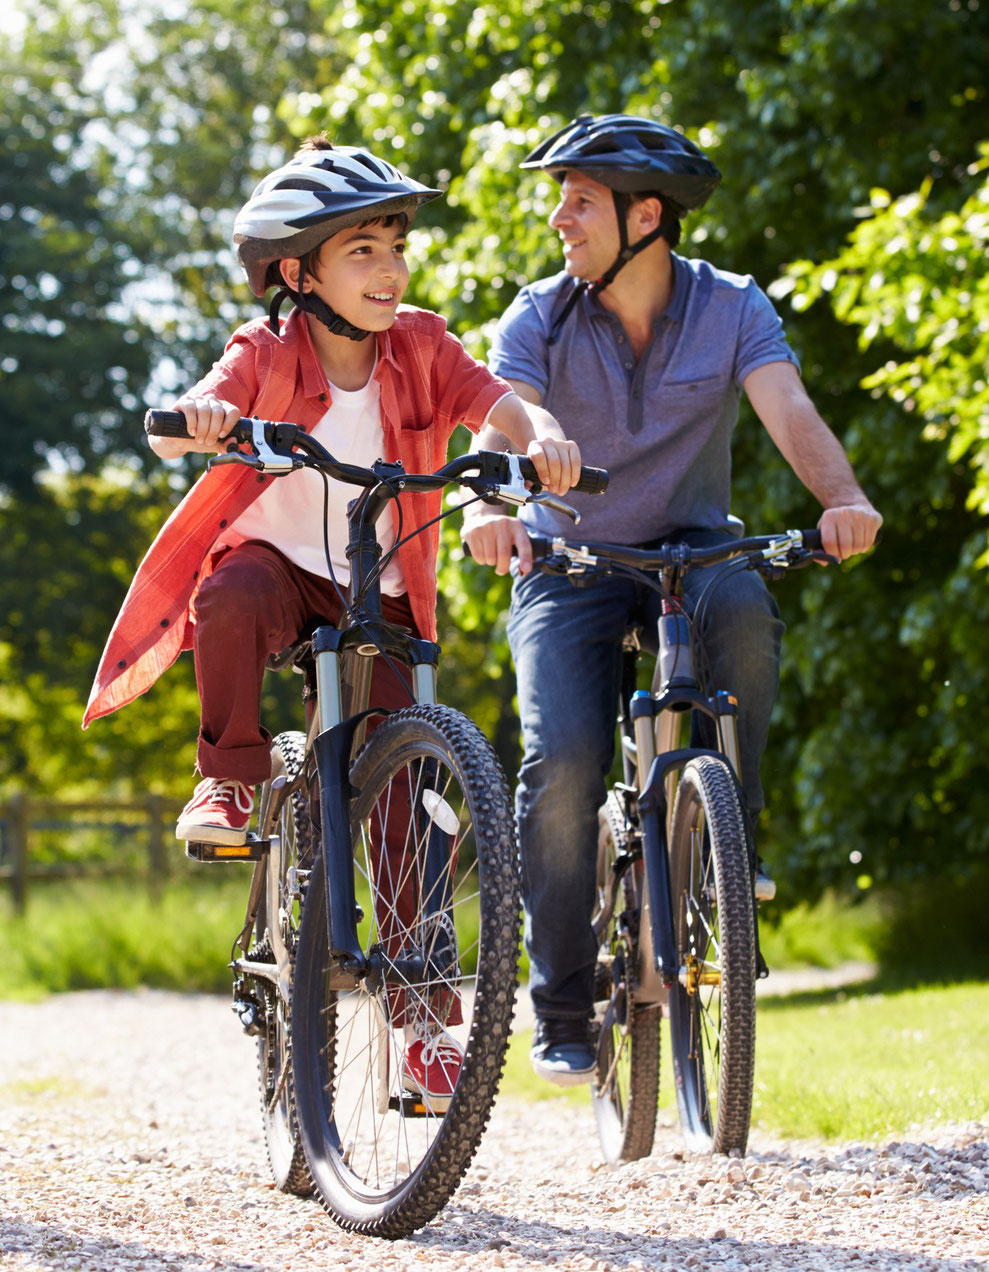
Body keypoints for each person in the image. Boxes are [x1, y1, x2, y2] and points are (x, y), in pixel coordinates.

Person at [84, 137, 582, 1107]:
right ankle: (227, 782)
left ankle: (421, 1021)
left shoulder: (423, 346)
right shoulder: (266, 348)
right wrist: (203, 416)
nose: (390, 267)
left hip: (377, 580)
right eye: (362, 250)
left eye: (395, 244)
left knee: (411, 791)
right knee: (224, 601)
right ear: (295, 271)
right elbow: (217, 391)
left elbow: (495, 401)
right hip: (275, 567)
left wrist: (544, 439)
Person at [459, 114, 883, 1085]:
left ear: (643, 215)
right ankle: (561, 1002)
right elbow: (508, 416)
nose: (558, 218)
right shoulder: (536, 314)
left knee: (741, 605)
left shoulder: (732, 306)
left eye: (578, 200)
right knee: (561, 761)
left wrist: (842, 501)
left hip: (689, 548)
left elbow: (788, 409)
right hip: (566, 558)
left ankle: (726, 838)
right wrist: (490, 502)